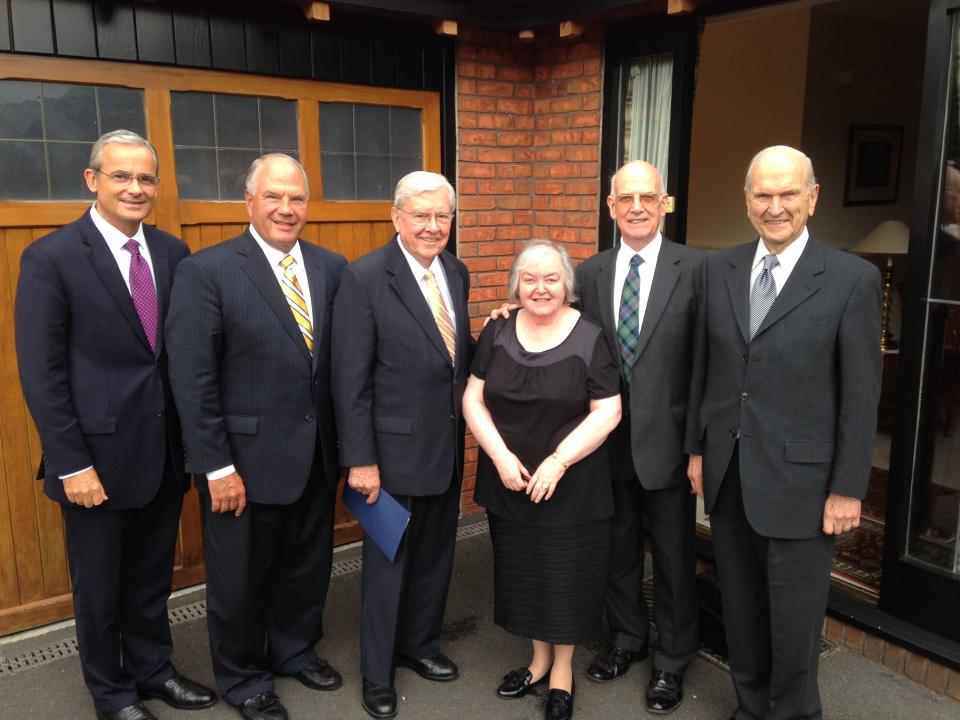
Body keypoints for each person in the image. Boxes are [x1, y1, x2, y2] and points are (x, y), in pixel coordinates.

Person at [14, 130, 216, 720]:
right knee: (100, 589)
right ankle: (112, 694)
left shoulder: (174, 254)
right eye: (122, 176)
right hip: (94, 464)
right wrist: (71, 462)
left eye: (146, 178)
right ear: (92, 180)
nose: (136, 188)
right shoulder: (51, 258)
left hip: (161, 455)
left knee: (152, 579)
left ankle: (154, 672)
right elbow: (42, 373)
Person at [687, 145, 881, 720]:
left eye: (788, 194)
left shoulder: (852, 279)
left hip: (804, 482)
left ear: (812, 198)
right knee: (742, 612)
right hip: (729, 474)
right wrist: (698, 449)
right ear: (747, 201)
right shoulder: (716, 269)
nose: (775, 207)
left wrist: (848, 487)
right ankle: (750, 708)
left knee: (794, 622)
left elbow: (861, 394)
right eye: (763, 195)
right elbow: (707, 368)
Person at [166, 154, 346, 720]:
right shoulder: (207, 270)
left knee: (305, 567)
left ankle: (293, 650)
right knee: (239, 583)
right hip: (241, 465)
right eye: (273, 197)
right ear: (249, 201)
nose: (286, 209)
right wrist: (215, 466)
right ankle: (244, 678)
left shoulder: (332, 267)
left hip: (316, 456)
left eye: (296, 198)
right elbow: (192, 379)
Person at [331, 171, 472, 720]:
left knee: (436, 558)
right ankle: (377, 672)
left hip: (444, 448)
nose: (433, 227)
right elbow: (351, 379)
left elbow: (450, 354)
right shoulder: (364, 278)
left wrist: (505, 329)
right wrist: (360, 459)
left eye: (443, 216)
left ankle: (419, 646)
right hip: (387, 460)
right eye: (421, 215)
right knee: (388, 566)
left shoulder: (455, 272)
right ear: (396, 218)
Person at [464, 240, 622, 720]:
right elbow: (473, 398)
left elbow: (609, 410)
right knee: (526, 574)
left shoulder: (591, 337)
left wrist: (559, 460)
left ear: (567, 286)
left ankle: (562, 673)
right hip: (511, 480)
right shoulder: (497, 332)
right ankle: (536, 662)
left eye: (551, 278)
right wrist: (500, 457)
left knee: (565, 579)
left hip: (572, 482)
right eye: (529, 278)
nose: (540, 287)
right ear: (516, 286)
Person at [578, 160, 704, 713]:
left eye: (647, 197)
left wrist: (699, 443)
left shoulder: (699, 269)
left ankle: (673, 660)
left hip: (671, 443)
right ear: (610, 207)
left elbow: (710, 363)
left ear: (664, 203)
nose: (636, 206)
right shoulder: (589, 272)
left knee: (675, 557)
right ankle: (628, 637)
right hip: (608, 442)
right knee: (618, 549)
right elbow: (564, 332)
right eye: (625, 197)